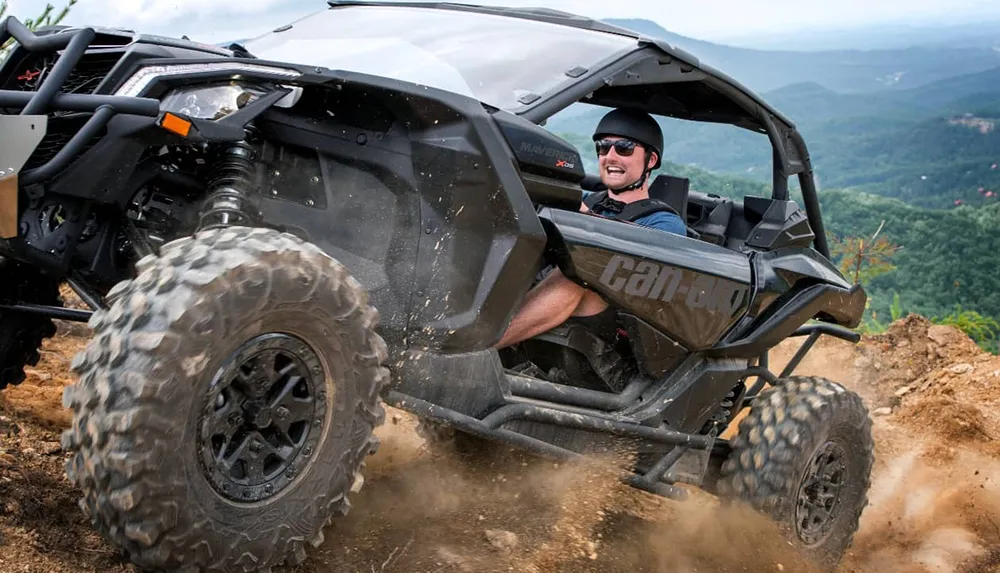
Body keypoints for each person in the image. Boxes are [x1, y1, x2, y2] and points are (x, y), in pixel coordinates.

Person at [495, 108, 686, 351]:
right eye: (603, 148)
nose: (611, 156)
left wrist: (586, 220)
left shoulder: (664, 223)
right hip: (549, 295)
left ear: (651, 160)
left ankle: (480, 349)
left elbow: (633, 281)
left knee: (580, 275)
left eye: (624, 148)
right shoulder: (583, 199)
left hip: (615, 324)